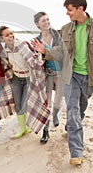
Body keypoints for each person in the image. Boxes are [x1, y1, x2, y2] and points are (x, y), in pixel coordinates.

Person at [32, 0, 93, 165]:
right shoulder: (66, 29)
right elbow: (60, 52)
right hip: (70, 75)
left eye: (70, 10)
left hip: (91, 77)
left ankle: (71, 127)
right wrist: (45, 52)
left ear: (80, 9)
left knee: (80, 108)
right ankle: (76, 152)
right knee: (72, 111)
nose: (67, 13)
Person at [0, 25, 44, 138]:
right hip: (16, 78)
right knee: (17, 105)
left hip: (28, 79)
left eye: (11, 33)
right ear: (2, 39)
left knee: (24, 105)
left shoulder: (21, 46)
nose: (11, 36)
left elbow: (33, 61)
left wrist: (39, 57)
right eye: (7, 35)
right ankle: (23, 128)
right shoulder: (5, 50)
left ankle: (28, 125)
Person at [33, 12, 64, 144]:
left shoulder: (58, 35)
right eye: (43, 21)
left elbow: (63, 54)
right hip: (48, 74)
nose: (46, 23)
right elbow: (37, 59)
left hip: (61, 73)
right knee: (47, 104)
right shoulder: (37, 40)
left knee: (58, 101)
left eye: (47, 20)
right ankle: (46, 131)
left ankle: (56, 114)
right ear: (37, 24)